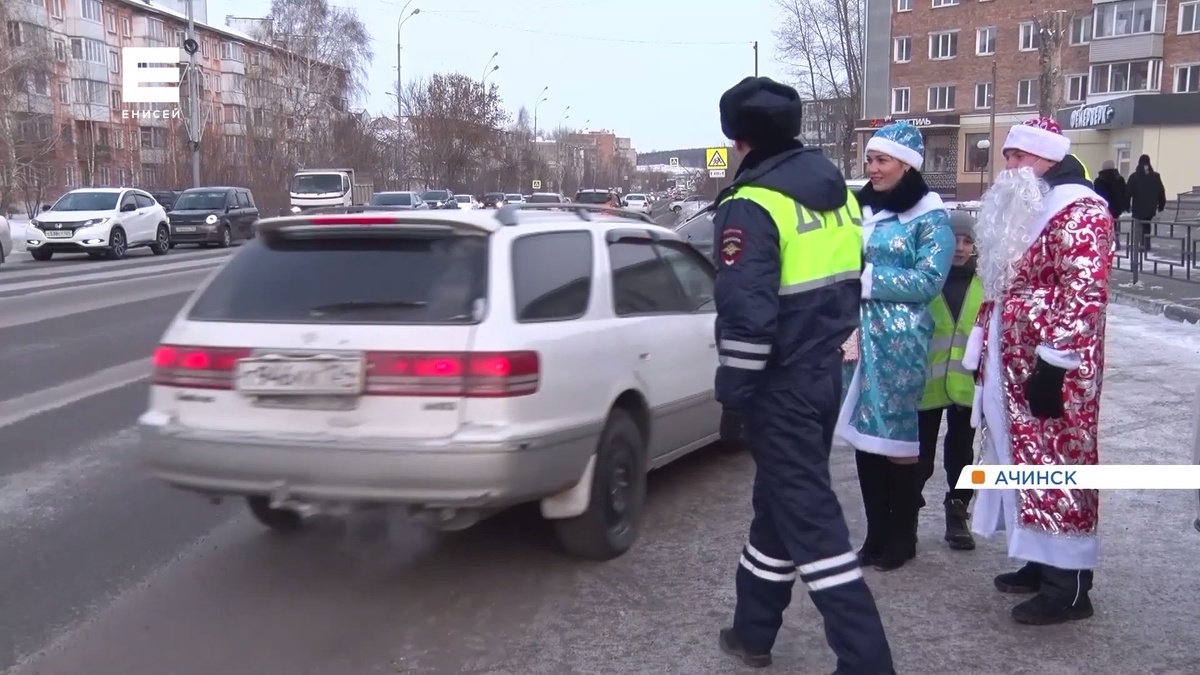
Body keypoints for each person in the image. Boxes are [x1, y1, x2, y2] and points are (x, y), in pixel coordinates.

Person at [710, 76, 894, 674]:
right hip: (824, 372)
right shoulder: (838, 194)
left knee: (813, 524)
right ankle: (752, 630)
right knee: (779, 505)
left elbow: (747, 315)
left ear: (741, 139)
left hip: (780, 385)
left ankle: (867, 661)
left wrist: (734, 396)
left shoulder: (752, 204)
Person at [963, 116, 1113, 625]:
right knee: (1022, 460)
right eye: (1007, 155)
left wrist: (1055, 362)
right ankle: (1039, 557)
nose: (1009, 165)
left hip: (1054, 368)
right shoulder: (1031, 205)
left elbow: (1084, 292)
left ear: (1048, 158)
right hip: (1014, 366)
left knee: (1058, 465)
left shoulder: (1081, 210)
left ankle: (1069, 588)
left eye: (1018, 156)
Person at [836, 121, 954, 573]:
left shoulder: (930, 217)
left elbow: (928, 281)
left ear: (907, 165)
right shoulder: (860, 209)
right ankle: (875, 535)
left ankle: (902, 537)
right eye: (869, 159)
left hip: (900, 342)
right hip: (857, 339)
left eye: (882, 160)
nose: (873, 168)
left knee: (897, 441)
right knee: (864, 438)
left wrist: (865, 279)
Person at [915, 210, 982, 552]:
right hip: (926, 384)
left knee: (962, 454)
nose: (960, 247)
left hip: (967, 385)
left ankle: (957, 513)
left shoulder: (985, 284)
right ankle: (907, 514)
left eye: (967, 241)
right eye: (954, 240)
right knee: (919, 454)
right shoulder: (927, 279)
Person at [1124, 154, 1166, 254]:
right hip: (1150, 208)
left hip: (1138, 208)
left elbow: (1127, 193)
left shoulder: (1134, 177)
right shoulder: (1155, 176)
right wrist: (1161, 204)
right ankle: (1146, 244)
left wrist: (1126, 206)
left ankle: (1139, 245)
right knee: (1147, 225)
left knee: (1137, 226)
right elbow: (1161, 191)